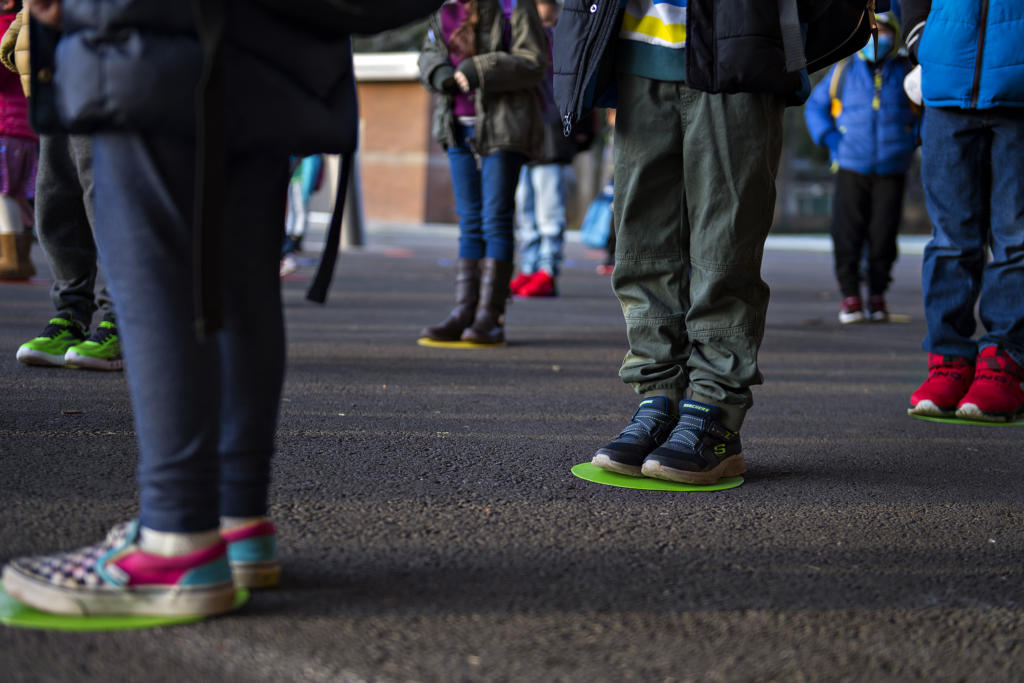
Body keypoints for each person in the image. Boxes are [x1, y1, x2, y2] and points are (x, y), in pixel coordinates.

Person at [2, 0, 443, 618]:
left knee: (155, 273)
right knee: (240, 280)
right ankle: (237, 520)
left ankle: (175, 538)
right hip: (273, 42)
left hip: (151, 30)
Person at [554, 1, 879, 484]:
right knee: (643, 247)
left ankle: (714, 414)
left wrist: (781, 40)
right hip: (637, 48)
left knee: (725, 247)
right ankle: (659, 399)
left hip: (737, 44)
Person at [903, 0, 1024, 422]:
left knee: (1016, 238)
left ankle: (1006, 360)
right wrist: (920, 34)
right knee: (950, 238)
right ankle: (948, 357)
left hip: (1019, 86)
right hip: (946, 79)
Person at [417, 0, 547, 344]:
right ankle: (463, 312)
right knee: (470, 220)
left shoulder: (514, 5)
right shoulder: (443, 8)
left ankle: (491, 316)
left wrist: (481, 68)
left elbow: (534, 61)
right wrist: (438, 72)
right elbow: (429, 52)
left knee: (495, 219)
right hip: (456, 127)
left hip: (505, 128)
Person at [1, 6, 123, 370]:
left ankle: (121, 317)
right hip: (55, 65)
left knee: (101, 194)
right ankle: (70, 313)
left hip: (105, 60)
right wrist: (26, 21)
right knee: (55, 194)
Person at [804, 11, 920, 325]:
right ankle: (850, 296)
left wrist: (913, 141)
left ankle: (878, 294)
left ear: (895, 37)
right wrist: (830, 139)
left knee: (883, 235)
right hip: (851, 166)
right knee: (847, 234)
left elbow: (924, 111)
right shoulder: (843, 71)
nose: (877, 39)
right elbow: (816, 107)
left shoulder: (906, 71)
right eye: (872, 32)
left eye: (883, 33)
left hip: (892, 168)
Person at [509, 0, 588, 299]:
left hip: (551, 137)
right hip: (525, 133)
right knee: (526, 209)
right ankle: (529, 268)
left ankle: (547, 271)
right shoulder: (522, 37)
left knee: (549, 212)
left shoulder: (562, 39)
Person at [0, 1, 36, 281]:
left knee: (3, 193)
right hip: (26, 129)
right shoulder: (31, 24)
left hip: (6, 128)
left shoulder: (5, 27)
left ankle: (11, 259)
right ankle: (22, 257)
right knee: (19, 195)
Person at [280, 153, 323, 278]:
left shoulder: (309, 154)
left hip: (298, 181)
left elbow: (310, 170)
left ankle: (291, 248)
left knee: (299, 212)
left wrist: (306, 190)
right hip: (295, 180)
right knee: (296, 212)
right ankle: (290, 250)